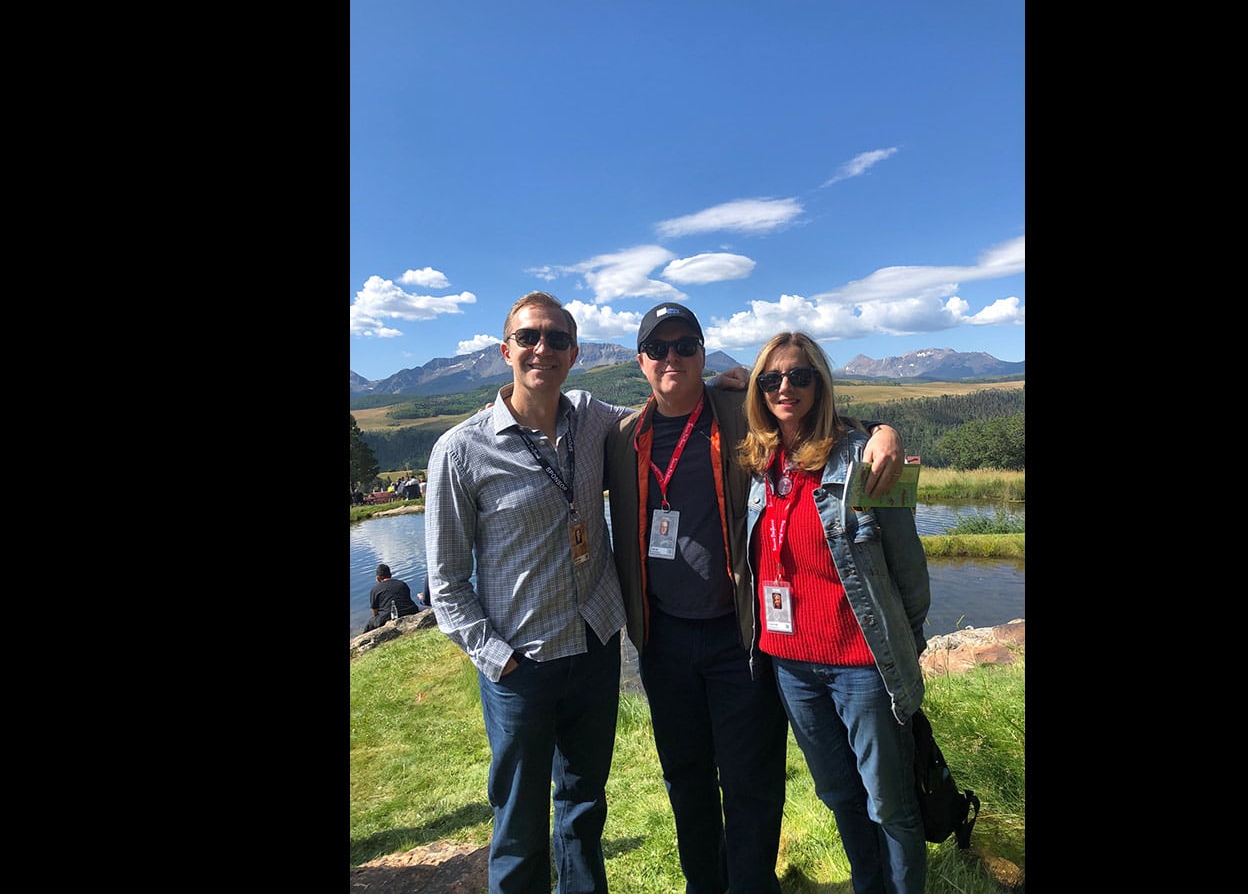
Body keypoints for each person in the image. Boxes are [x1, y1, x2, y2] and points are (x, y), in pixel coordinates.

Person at [604, 304, 905, 894]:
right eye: (659, 349)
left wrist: (881, 430)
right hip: (661, 637)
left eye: (686, 345)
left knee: (751, 779)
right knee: (685, 777)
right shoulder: (620, 437)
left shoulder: (737, 413)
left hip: (739, 635)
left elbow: (812, 419)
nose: (673, 358)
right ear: (641, 361)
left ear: (703, 353)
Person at [425, 290, 640, 894]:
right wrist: (501, 661)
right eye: (529, 337)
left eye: (557, 339)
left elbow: (667, 406)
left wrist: (737, 386)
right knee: (518, 827)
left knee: (583, 809)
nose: (543, 348)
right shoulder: (461, 451)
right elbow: (445, 582)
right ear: (506, 350)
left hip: (596, 646)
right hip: (520, 664)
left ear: (574, 354)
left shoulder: (595, 417)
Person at [736, 331, 931, 894]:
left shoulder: (863, 457)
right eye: (771, 379)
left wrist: (903, 641)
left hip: (860, 664)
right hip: (790, 666)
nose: (785, 389)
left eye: (799, 376)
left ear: (821, 383)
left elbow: (910, 573)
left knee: (888, 802)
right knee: (839, 794)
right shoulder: (760, 460)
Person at [364, 563, 420, 632]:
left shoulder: (375, 589)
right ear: (390, 575)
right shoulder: (402, 584)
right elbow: (407, 599)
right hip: (410, 610)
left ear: (378, 578)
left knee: (370, 623)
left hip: (387, 617)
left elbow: (375, 612)